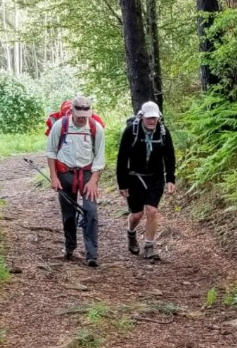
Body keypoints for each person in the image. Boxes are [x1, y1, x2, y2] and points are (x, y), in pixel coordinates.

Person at [46, 95, 105, 267]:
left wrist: (93, 181)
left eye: (85, 116)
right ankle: (70, 247)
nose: (81, 119)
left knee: (91, 211)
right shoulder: (60, 126)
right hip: (64, 173)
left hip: (87, 174)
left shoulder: (96, 128)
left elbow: (99, 158)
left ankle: (92, 254)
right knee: (68, 213)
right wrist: (54, 177)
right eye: (78, 115)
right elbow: (51, 152)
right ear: (71, 111)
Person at [115, 100, 176, 260]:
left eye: (154, 118)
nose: (151, 121)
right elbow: (122, 158)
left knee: (152, 211)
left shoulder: (163, 132)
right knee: (137, 215)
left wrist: (170, 178)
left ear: (158, 118)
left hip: (155, 178)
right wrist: (122, 183)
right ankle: (131, 233)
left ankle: (149, 246)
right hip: (135, 177)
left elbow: (169, 156)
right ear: (142, 117)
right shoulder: (131, 131)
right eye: (149, 118)